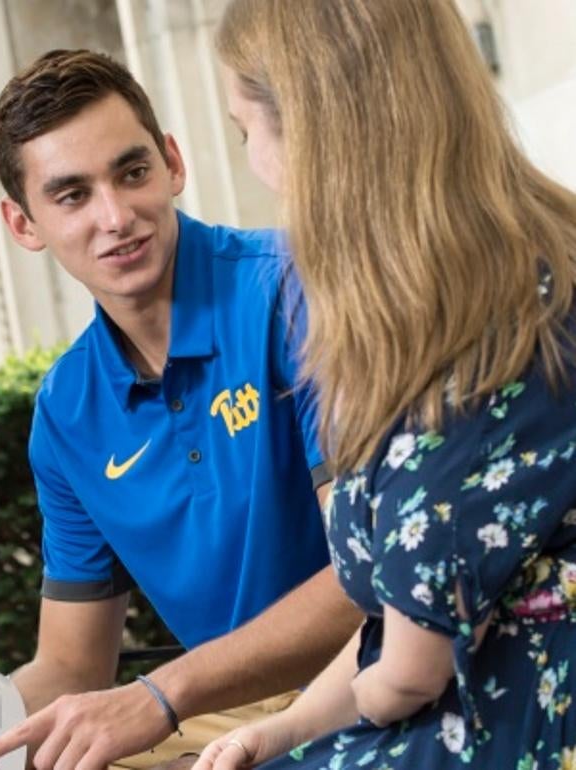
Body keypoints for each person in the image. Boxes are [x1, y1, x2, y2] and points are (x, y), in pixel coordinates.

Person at [192, 1, 576, 769]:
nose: (256, 166)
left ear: (312, 130)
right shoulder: (504, 279)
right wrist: (279, 731)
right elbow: (396, 624)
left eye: (246, 131)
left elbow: (406, 672)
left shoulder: (470, 342)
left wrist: (326, 720)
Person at [0, 49, 362, 770]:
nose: (117, 217)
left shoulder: (294, 291)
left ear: (173, 164)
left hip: (372, 674)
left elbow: (373, 572)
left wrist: (161, 694)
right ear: (23, 224)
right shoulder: (67, 412)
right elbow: (70, 667)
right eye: (72, 196)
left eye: (132, 172)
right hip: (222, 715)